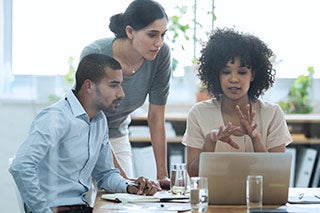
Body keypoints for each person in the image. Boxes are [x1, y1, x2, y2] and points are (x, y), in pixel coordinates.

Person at [9, 53, 161, 213]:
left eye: (120, 85)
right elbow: (21, 166)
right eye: (113, 85)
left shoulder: (99, 120)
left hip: (82, 209)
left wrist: (131, 187)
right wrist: (43, 211)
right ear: (89, 86)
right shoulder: (56, 118)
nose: (121, 93)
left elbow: (105, 174)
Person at [80, 0, 171, 188]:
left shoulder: (160, 56)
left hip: (117, 135)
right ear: (130, 32)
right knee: (94, 200)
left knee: (123, 201)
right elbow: (90, 120)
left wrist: (162, 175)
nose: (159, 42)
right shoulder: (95, 55)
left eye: (162, 35)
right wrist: (121, 179)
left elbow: (156, 117)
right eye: (152, 35)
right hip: (85, 135)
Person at [182, 28, 293, 177]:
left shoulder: (272, 113)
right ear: (217, 74)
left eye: (242, 72)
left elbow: (276, 176)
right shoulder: (199, 113)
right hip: (213, 198)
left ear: (253, 75)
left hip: (258, 199)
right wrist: (210, 142)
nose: (233, 79)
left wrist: (256, 139)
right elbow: (193, 175)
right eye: (226, 72)